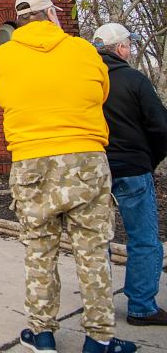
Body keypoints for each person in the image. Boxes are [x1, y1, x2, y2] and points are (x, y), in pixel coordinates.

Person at [0, 0, 135, 353]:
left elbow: (4, 96)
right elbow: (101, 93)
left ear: (20, 20)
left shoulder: (4, 55)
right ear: (52, 15)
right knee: (92, 251)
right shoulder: (83, 50)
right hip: (85, 158)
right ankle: (99, 338)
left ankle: (42, 335)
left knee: (39, 251)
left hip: (31, 159)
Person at [93, 22, 167, 326]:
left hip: (96, 169)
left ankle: (99, 307)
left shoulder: (86, 82)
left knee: (98, 241)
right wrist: (150, 159)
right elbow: (161, 126)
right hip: (134, 168)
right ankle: (141, 306)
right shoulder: (134, 80)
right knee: (144, 239)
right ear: (120, 48)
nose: (130, 49)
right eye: (128, 44)